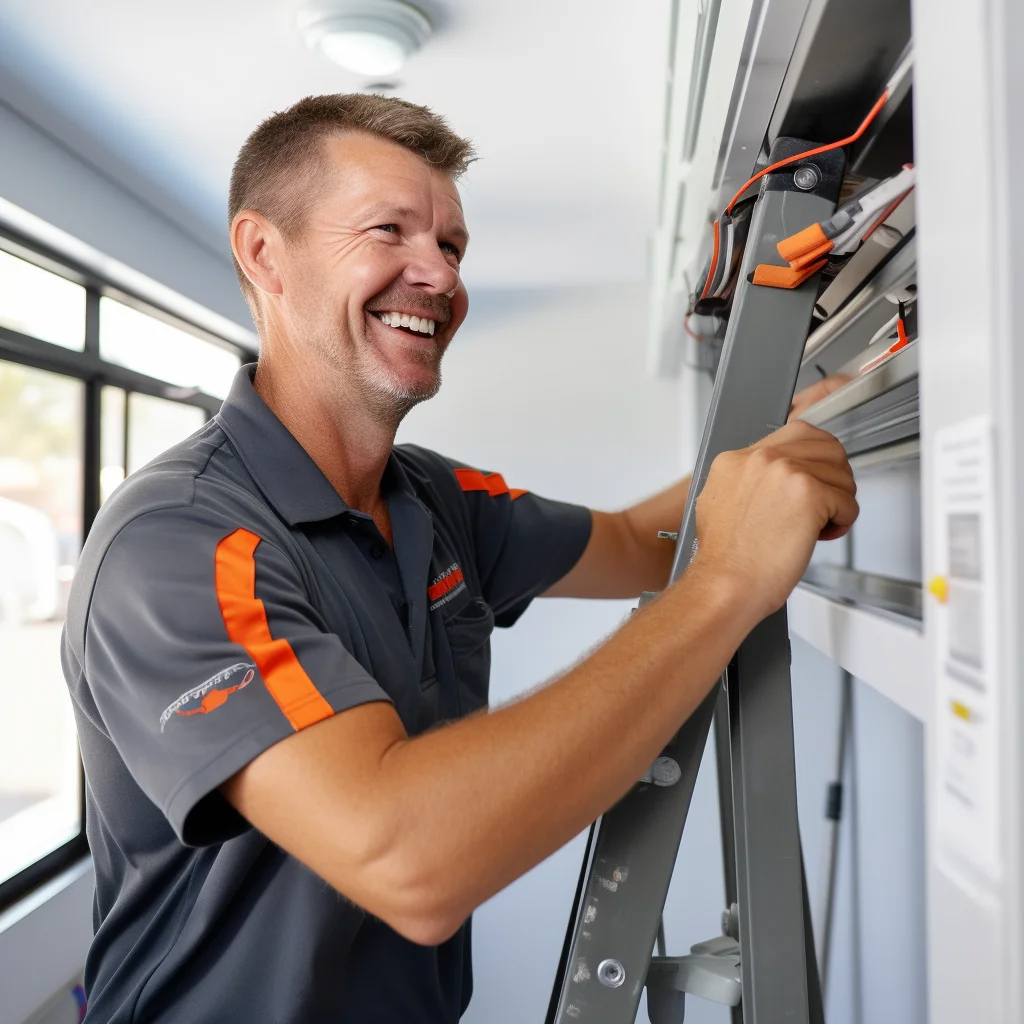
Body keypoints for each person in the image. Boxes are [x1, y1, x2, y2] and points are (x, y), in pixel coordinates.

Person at [62, 94, 856, 1023]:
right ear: (264, 253)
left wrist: (793, 429)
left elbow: (645, 544)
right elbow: (408, 861)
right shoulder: (182, 546)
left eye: (452, 246)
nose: (437, 275)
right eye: (388, 231)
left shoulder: (436, 500)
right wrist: (727, 585)